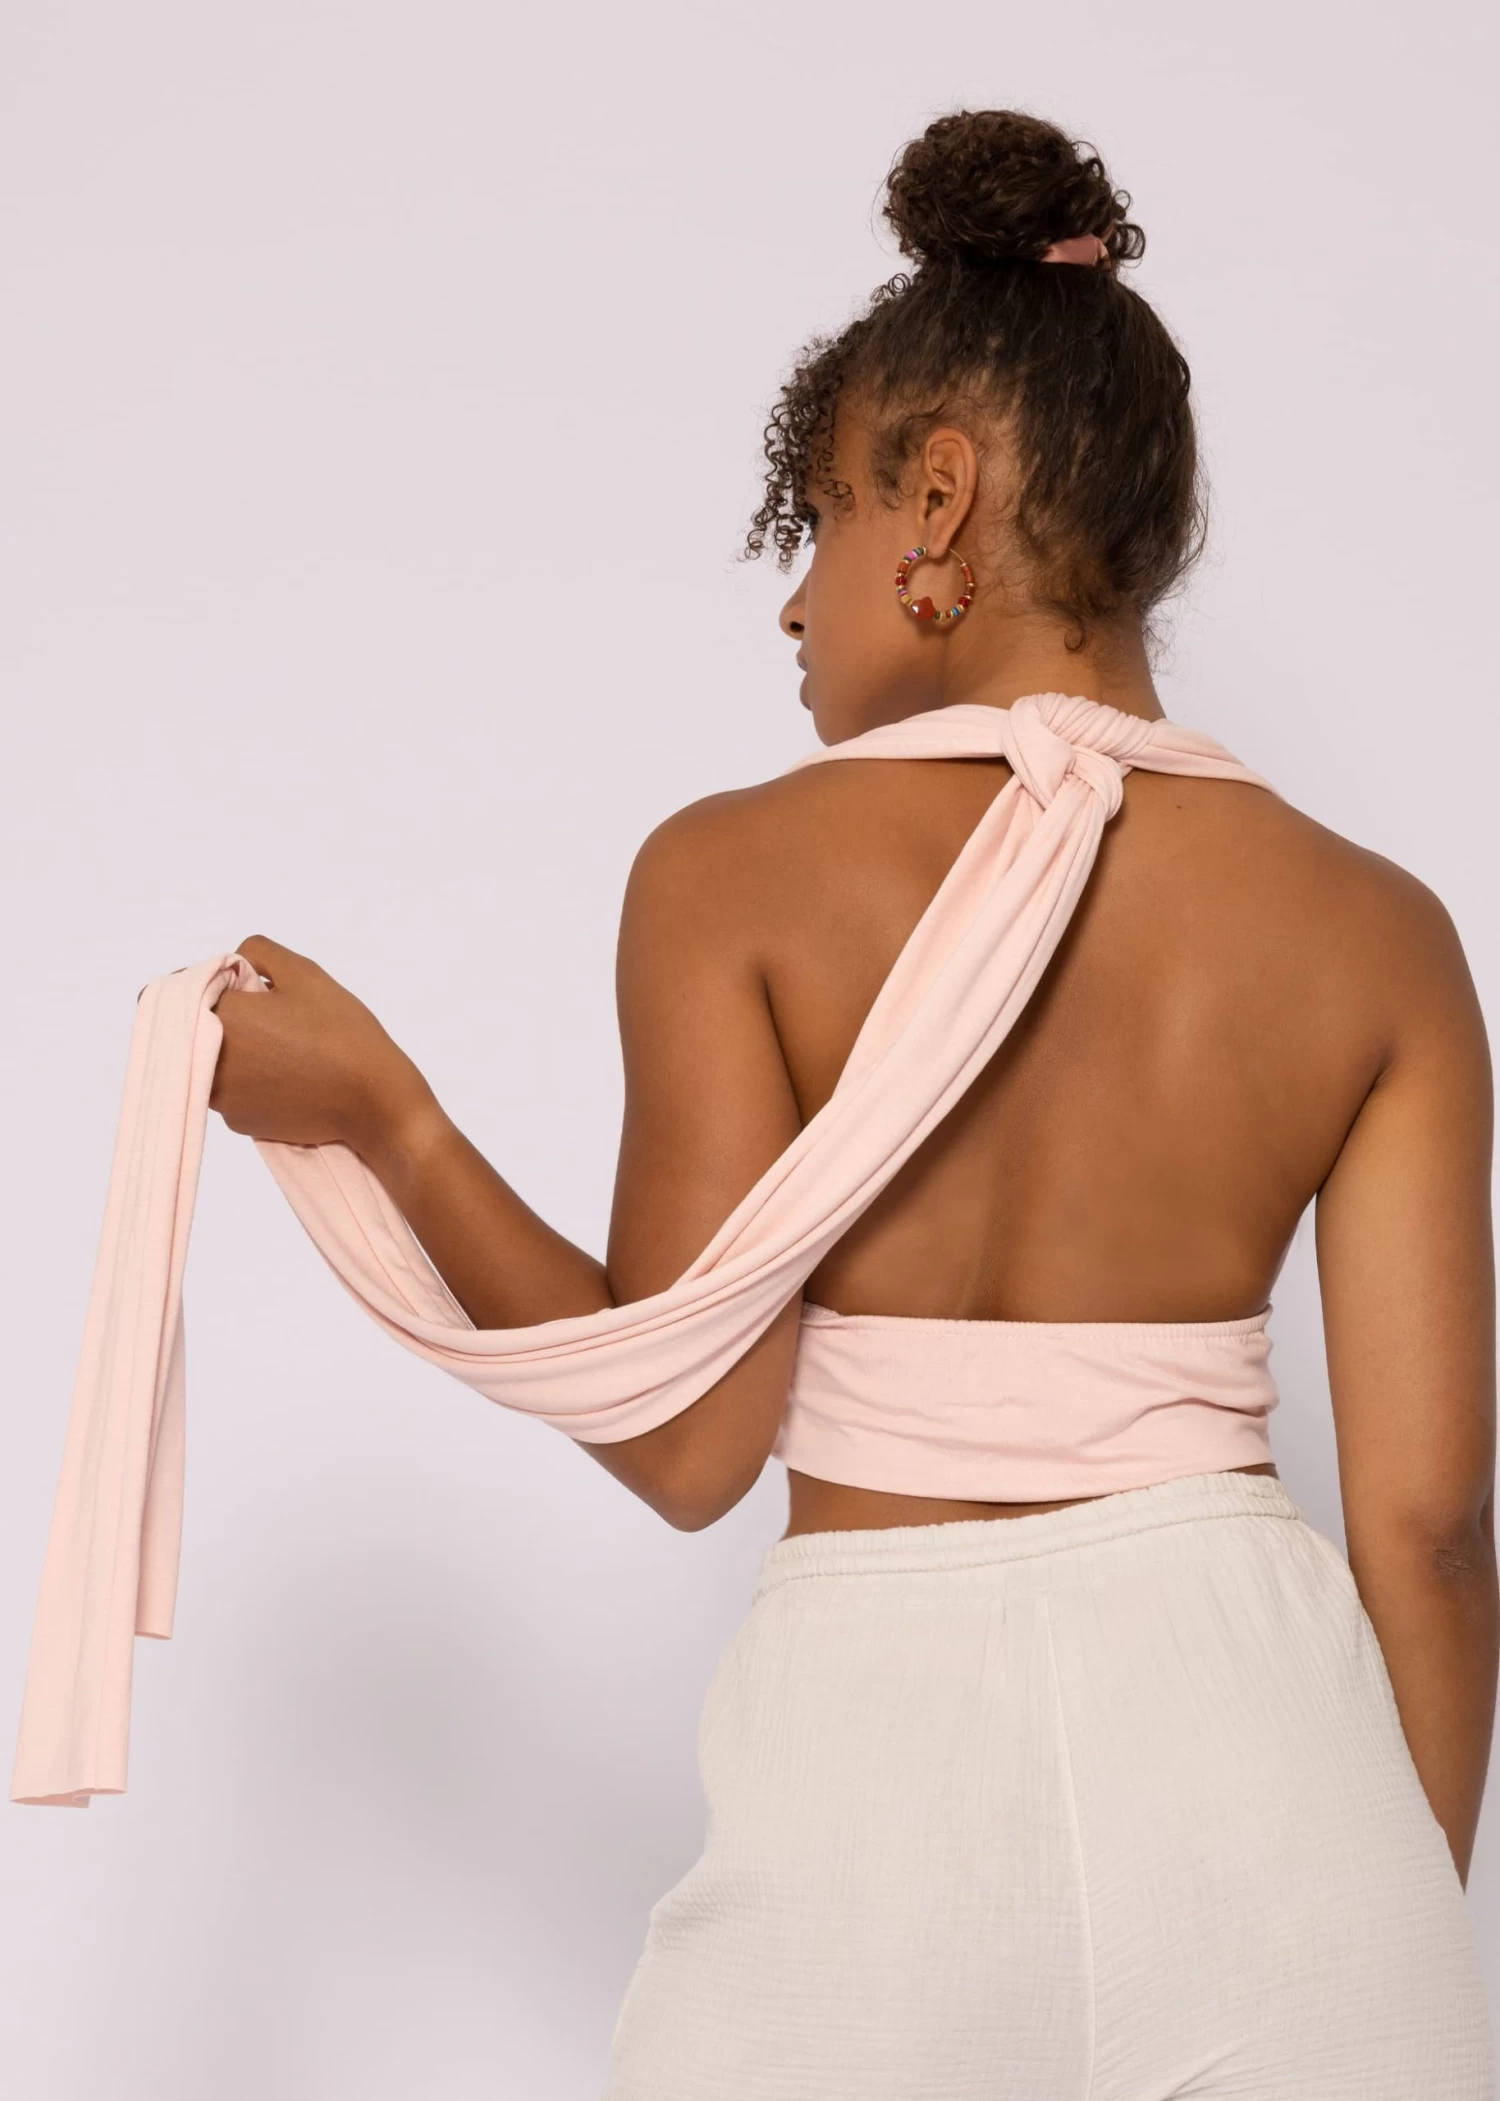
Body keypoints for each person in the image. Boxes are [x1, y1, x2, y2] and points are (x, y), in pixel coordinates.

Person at [206, 110, 1496, 2099]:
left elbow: (688, 1436)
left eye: (816, 520)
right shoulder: (1379, 933)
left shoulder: (729, 877)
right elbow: (1430, 1536)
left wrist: (393, 1123)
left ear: (938, 505)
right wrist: (1382, 1923)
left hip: (874, 1812)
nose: (794, 606)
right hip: (1281, 1807)